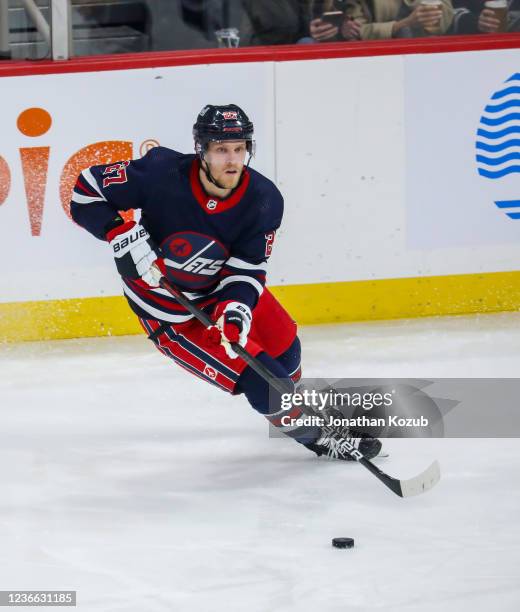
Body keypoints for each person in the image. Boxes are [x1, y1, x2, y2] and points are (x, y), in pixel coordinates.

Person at [69, 103, 381, 462]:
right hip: (172, 313)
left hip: (222, 290)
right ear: (201, 150)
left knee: (287, 349)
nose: (232, 160)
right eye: (220, 150)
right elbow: (85, 191)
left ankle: (294, 411)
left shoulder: (264, 199)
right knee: (264, 383)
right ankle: (319, 438)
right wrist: (118, 231)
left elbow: (247, 270)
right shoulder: (159, 173)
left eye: (239, 148)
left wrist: (234, 313)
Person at [309, 0, 453, 41]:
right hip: (382, 53)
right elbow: (358, 30)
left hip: (428, 51)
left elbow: (446, 12)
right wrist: (403, 24)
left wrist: (433, 16)